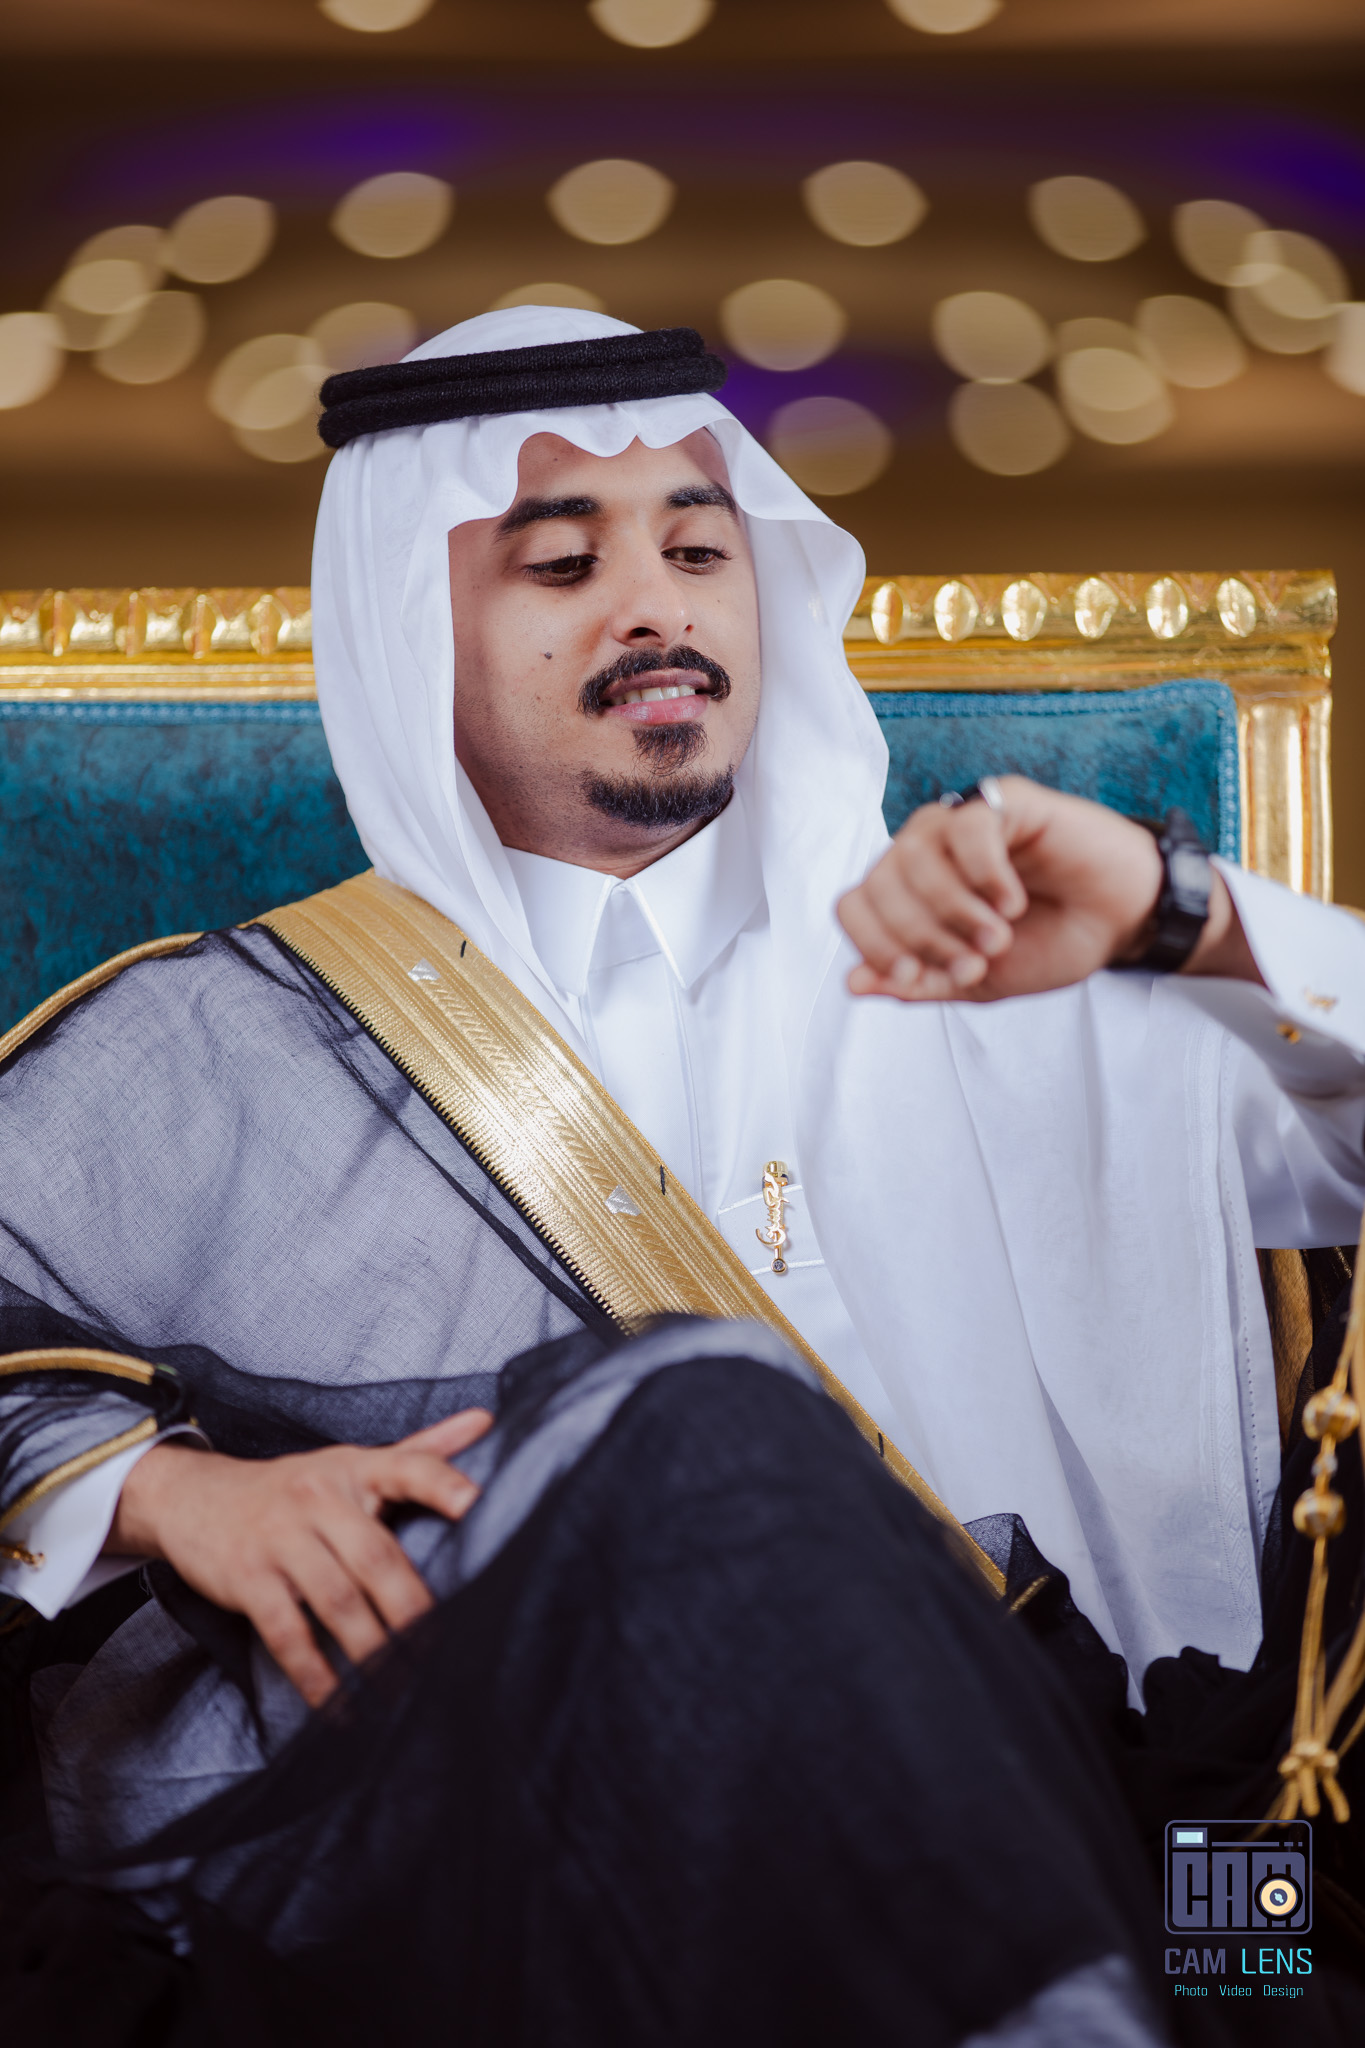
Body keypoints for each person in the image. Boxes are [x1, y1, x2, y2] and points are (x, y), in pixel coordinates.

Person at [2, 307, 1364, 2042]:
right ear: (407, 631)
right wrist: (154, 1492)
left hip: (1111, 1832)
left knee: (710, 1417)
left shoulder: (1029, 961)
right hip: (528, 1894)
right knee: (702, 1416)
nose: (655, 608)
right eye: (563, 563)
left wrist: (1188, 917)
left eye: (701, 551)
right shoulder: (228, 1050)